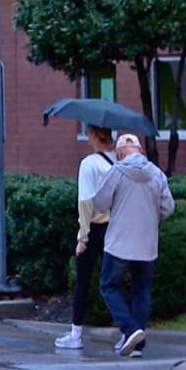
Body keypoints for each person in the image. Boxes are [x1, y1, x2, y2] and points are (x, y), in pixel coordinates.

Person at [92, 134, 175, 358]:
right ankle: (136, 345)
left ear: (120, 154)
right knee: (142, 290)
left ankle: (130, 330)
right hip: (147, 243)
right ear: (141, 151)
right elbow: (168, 208)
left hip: (119, 241)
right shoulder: (157, 174)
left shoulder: (117, 171)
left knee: (109, 286)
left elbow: (100, 202)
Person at [56, 125, 115, 349]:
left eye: (88, 133)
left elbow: (85, 202)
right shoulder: (119, 162)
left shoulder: (89, 164)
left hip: (94, 228)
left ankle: (76, 334)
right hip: (116, 227)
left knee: (83, 281)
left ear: (94, 135)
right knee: (114, 281)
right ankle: (127, 331)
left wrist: (82, 237)